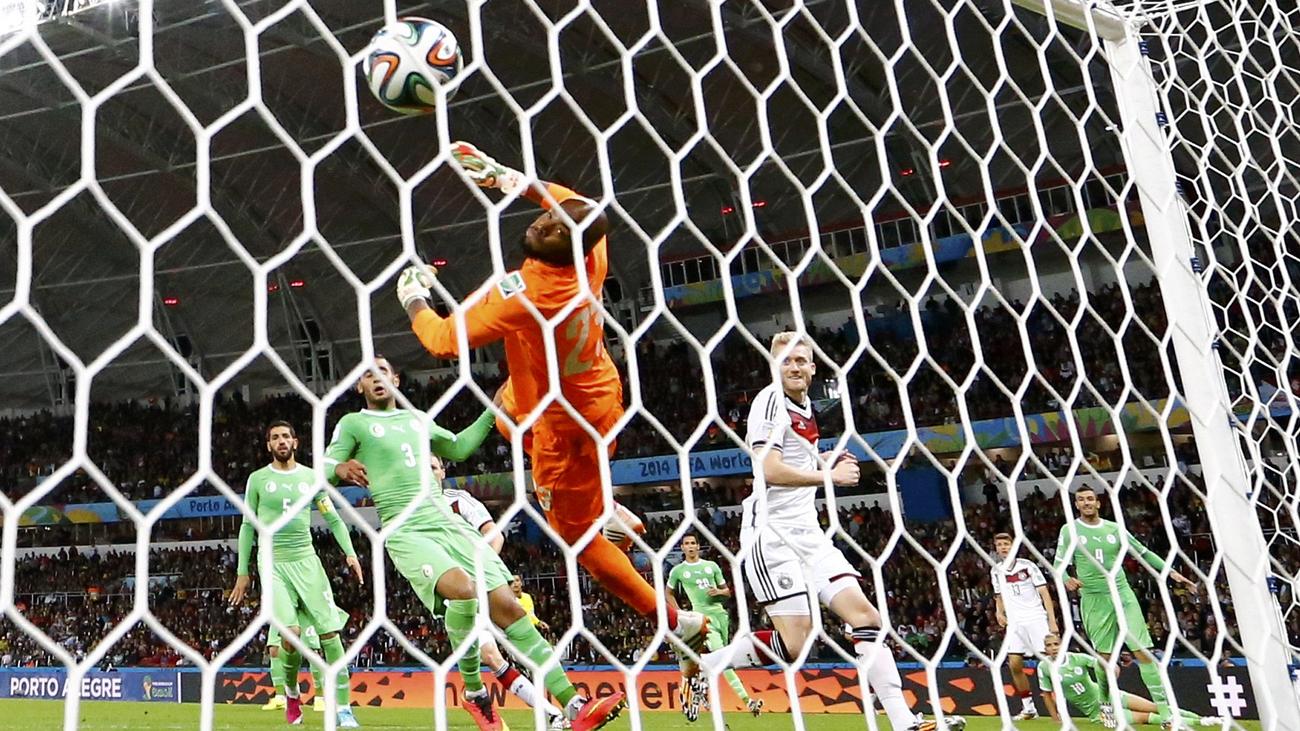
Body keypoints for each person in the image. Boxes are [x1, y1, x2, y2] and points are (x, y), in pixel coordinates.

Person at [397, 141, 707, 653]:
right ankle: (602, 504)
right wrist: (509, 179)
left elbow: (443, 340)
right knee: (505, 409)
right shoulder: (590, 253)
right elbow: (573, 202)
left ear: (571, 244)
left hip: (565, 433)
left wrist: (413, 298)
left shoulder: (529, 295)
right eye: (550, 218)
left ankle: (673, 621)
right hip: (594, 394)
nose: (546, 223)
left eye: (558, 229)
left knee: (579, 542)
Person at [323, 356, 623, 731]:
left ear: (396, 379)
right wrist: (339, 468)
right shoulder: (353, 423)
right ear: (359, 386)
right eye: (367, 374)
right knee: (463, 590)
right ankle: (475, 692)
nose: (376, 378)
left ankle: (574, 705)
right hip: (407, 530)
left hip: (449, 525)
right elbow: (323, 469)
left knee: (509, 608)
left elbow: (459, 447)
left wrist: (493, 410)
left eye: (383, 370)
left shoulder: (418, 420)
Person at [687, 332, 964, 731]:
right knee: (796, 644)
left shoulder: (805, 407)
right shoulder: (770, 401)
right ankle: (707, 665)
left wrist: (822, 459)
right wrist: (829, 477)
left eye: (801, 360)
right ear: (774, 366)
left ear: (814, 368)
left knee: (866, 617)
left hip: (809, 534)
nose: (794, 366)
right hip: (772, 536)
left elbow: (794, 456)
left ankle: (904, 721)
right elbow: (768, 469)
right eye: (786, 360)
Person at [229, 421, 362, 728]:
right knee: (290, 635)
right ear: (268, 445)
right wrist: (242, 571)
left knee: (330, 634)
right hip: (272, 563)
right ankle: (291, 694)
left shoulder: (311, 477)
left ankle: (343, 707)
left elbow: (334, 519)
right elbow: (247, 526)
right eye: (275, 437)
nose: (281, 441)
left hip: (307, 562)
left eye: (286, 436)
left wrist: (350, 553)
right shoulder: (257, 479)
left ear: (295, 442)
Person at [440, 456, 567, 730]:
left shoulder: (458, 501)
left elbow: (495, 535)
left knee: (520, 645)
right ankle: (553, 714)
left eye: (433, 467)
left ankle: (566, 703)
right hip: (456, 596)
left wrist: (479, 571)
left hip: (484, 587)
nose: (427, 472)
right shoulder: (413, 509)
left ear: (442, 472)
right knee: (491, 657)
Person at [1055, 486, 1197, 716]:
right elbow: (1058, 563)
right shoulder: (1069, 530)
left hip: (1122, 594)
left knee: (1143, 652)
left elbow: (1143, 553)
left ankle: (1166, 714)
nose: (1086, 502)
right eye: (1081, 499)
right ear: (1076, 505)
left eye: (1090, 498)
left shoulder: (1114, 529)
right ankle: (1105, 701)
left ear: (1098, 503)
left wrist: (1171, 572)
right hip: (1094, 599)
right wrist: (1066, 579)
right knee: (1105, 660)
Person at [666, 534, 761, 720]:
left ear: (698, 546)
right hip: (703, 619)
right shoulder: (678, 571)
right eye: (686, 544)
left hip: (721, 616)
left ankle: (699, 683)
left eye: (693, 543)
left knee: (722, 659)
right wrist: (680, 613)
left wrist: (719, 592)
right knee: (724, 658)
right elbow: (668, 593)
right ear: (682, 548)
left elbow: (727, 592)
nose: (690, 546)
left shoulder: (711, 566)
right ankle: (747, 700)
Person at [1038, 633, 1220, 728]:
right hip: (1099, 712)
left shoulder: (1076, 658)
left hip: (1111, 695)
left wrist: (1112, 667)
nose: (1053, 648)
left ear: (1062, 644)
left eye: (1056, 644)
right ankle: (1198, 724)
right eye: (1049, 645)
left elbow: (1100, 664)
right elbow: (1046, 694)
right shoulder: (1044, 667)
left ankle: (1203, 719)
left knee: (1157, 707)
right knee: (1146, 718)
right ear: (1045, 649)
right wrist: (1055, 718)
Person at [990, 532, 1059, 720]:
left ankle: (1060, 704)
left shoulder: (1027, 566)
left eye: (1006, 544)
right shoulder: (996, 571)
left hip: (1036, 618)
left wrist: (1052, 621)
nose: (1003, 547)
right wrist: (999, 612)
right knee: (1014, 664)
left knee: (1049, 663)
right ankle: (1028, 708)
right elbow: (998, 595)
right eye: (999, 545)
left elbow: (1044, 593)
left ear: (1013, 546)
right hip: (1015, 623)